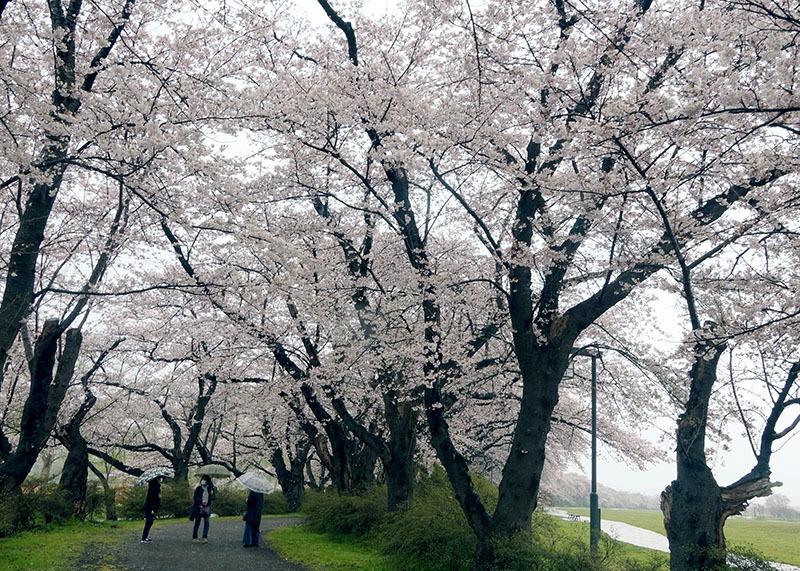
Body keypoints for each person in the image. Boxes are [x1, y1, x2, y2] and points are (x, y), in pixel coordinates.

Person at [191, 475, 215, 544]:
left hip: (207, 507)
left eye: (204, 480)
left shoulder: (210, 489)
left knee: (206, 522)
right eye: (202, 479)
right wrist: (201, 503)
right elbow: (195, 497)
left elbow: (213, 498)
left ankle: (205, 537)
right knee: (197, 522)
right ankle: (194, 537)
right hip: (199, 507)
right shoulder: (198, 488)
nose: (203, 481)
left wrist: (212, 494)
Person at [141, 476, 161, 543]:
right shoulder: (154, 488)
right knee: (149, 522)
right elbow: (152, 499)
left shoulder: (155, 487)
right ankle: (144, 538)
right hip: (150, 508)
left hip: (151, 507)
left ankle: (145, 537)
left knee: (150, 522)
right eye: (159, 478)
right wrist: (152, 509)